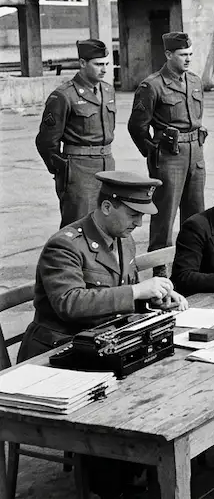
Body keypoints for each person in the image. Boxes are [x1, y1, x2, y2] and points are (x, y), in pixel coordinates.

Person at [19, 171, 187, 498]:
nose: (138, 222)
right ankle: (112, 484)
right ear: (108, 207)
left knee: (163, 381)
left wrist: (154, 297)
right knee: (121, 402)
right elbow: (69, 303)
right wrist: (137, 290)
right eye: (133, 213)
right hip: (58, 352)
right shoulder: (65, 245)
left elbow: (121, 295)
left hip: (102, 344)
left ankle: (140, 470)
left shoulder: (123, 237)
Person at [127, 32, 207, 271]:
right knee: (165, 213)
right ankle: (160, 264)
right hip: (169, 156)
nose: (188, 59)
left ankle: (192, 259)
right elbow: (137, 126)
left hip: (196, 151)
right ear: (169, 54)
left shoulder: (194, 81)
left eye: (190, 54)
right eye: (183, 55)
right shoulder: (152, 85)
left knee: (196, 211)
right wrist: (152, 153)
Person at [35, 39, 118, 228]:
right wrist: (62, 170)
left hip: (107, 163)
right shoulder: (64, 95)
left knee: (105, 223)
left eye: (106, 64)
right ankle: (68, 258)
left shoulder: (108, 90)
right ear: (82, 63)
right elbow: (46, 141)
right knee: (78, 225)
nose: (104, 69)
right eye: (98, 64)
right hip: (79, 169)